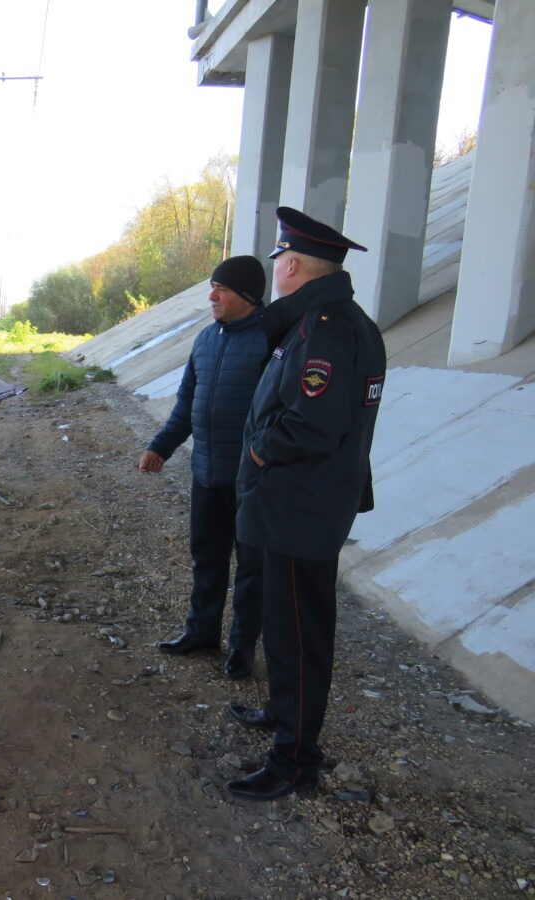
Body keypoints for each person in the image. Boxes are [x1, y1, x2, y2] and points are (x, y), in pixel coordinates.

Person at [226, 207, 386, 801]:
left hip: (301, 504)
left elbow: (314, 425)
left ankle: (295, 761)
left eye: (280, 263)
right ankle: (282, 713)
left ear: (291, 264)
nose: (278, 272)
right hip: (298, 503)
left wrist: (262, 451)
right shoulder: (335, 321)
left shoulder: (324, 328)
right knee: (286, 621)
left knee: (299, 633)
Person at [141, 255, 268, 680]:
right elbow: (186, 404)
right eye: (211, 287)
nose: (212, 296)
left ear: (248, 296)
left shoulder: (272, 339)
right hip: (206, 473)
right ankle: (201, 632)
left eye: (223, 289)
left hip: (252, 481)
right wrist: (161, 446)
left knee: (251, 567)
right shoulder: (205, 340)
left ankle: (243, 648)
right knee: (207, 558)